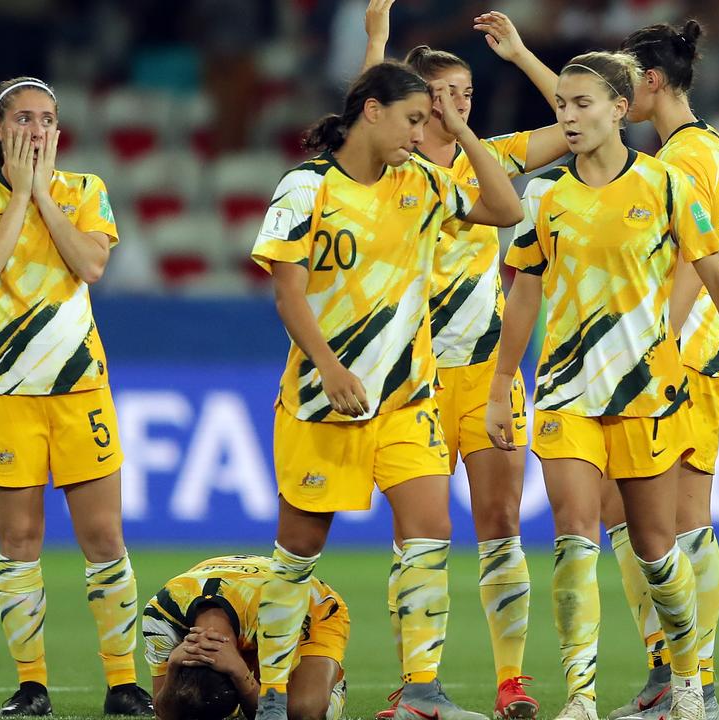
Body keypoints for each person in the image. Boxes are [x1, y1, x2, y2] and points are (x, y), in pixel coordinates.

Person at [488, 50, 719, 720]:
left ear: (620, 109)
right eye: (560, 104)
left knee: (655, 549)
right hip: (565, 392)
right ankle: (581, 696)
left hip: (646, 393)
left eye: (581, 103)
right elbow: (524, 296)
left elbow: (717, 278)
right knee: (573, 536)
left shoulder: (668, 185)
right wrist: (503, 382)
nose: (567, 115)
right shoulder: (543, 195)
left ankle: (686, 674)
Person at [248, 61, 523, 720]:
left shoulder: (422, 180)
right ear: (371, 111)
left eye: (428, 121)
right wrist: (330, 367)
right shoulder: (305, 188)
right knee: (298, 553)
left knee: (430, 533)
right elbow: (286, 291)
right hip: (324, 403)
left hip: (407, 401)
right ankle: (271, 691)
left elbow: (506, 208)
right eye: (413, 118)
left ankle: (422, 693)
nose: (420, 133)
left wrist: (458, 126)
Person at [361, 6, 569, 718]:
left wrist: (520, 58)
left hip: (486, 370)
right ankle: (420, 684)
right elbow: (359, 124)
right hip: (411, 377)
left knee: (501, 520)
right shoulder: (394, 168)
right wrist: (376, 45)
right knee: (418, 534)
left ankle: (511, 683)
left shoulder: (495, 157)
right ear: (414, 104)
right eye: (442, 97)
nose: (455, 108)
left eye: (467, 96)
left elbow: (583, 124)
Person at [0, 76, 151, 717]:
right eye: (24, 119)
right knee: (20, 541)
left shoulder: (87, 192)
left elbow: (89, 265)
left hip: (77, 388)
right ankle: (32, 684)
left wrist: (43, 195)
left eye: (47, 120)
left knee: (103, 538)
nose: (37, 130)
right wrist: (22, 195)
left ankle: (122, 683)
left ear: (59, 133)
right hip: (6, 390)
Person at [588, 20, 719, 720]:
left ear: (651, 82)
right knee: (626, 512)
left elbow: (691, 259)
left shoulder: (690, 155)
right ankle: (666, 669)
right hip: (672, 350)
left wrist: (663, 339)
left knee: (681, 521)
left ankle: (695, 682)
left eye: (624, 81)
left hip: (686, 353)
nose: (614, 95)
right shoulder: (685, 150)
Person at [143, 555, 349, 720]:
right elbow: (163, 713)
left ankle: (333, 683)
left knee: (304, 712)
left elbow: (273, 715)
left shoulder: (276, 611)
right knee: (189, 704)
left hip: (309, 609)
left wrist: (242, 674)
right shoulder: (160, 618)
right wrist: (171, 667)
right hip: (240, 599)